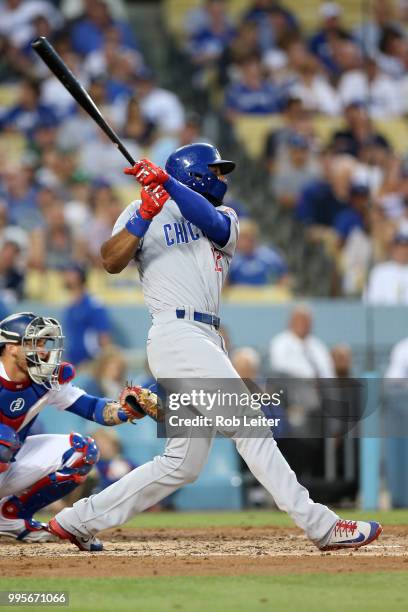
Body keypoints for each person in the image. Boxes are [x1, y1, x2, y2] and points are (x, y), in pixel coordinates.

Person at [47, 143, 382, 552]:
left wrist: (166, 183)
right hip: (175, 332)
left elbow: (209, 221)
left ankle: (76, 519)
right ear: (196, 172)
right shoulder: (143, 209)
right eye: (216, 171)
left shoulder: (225, 217)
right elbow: (110, 260)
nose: (222, 178)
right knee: (251, 425)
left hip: (206, 339)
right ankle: (321, 525)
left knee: (181, 464)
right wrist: (145, 214)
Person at [0, 312, 155, 547]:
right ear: (12, 347)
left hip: (9, 459)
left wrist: (126, 410)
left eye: (43, 344)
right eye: (35, 343)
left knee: (82, 450)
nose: (43, 351)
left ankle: (11, 517)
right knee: (3, 438)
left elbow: (92, 408)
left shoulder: (45, 379)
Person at [61, 263, 112, 366]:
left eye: (70, 273)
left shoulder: (93, 304)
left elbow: (104, 337)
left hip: (90, 363)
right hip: (72, 363)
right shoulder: (70, 306)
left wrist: (101, 364)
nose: (66, 275)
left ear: (80, 277)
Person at [227, 219, 289, 286]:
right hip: (239, 295)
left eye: (242, 238)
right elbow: (225, 284)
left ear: (252, 238)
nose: (237, 241)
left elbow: (284, 278)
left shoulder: (271, 256)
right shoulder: (232, 260)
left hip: (266, 294)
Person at [365, 231, 408, 304]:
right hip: (383, 314)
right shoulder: (379, 271)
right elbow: (371, 301)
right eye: (398, 247)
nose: (402, 251)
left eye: (405, 248)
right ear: (392, 249)